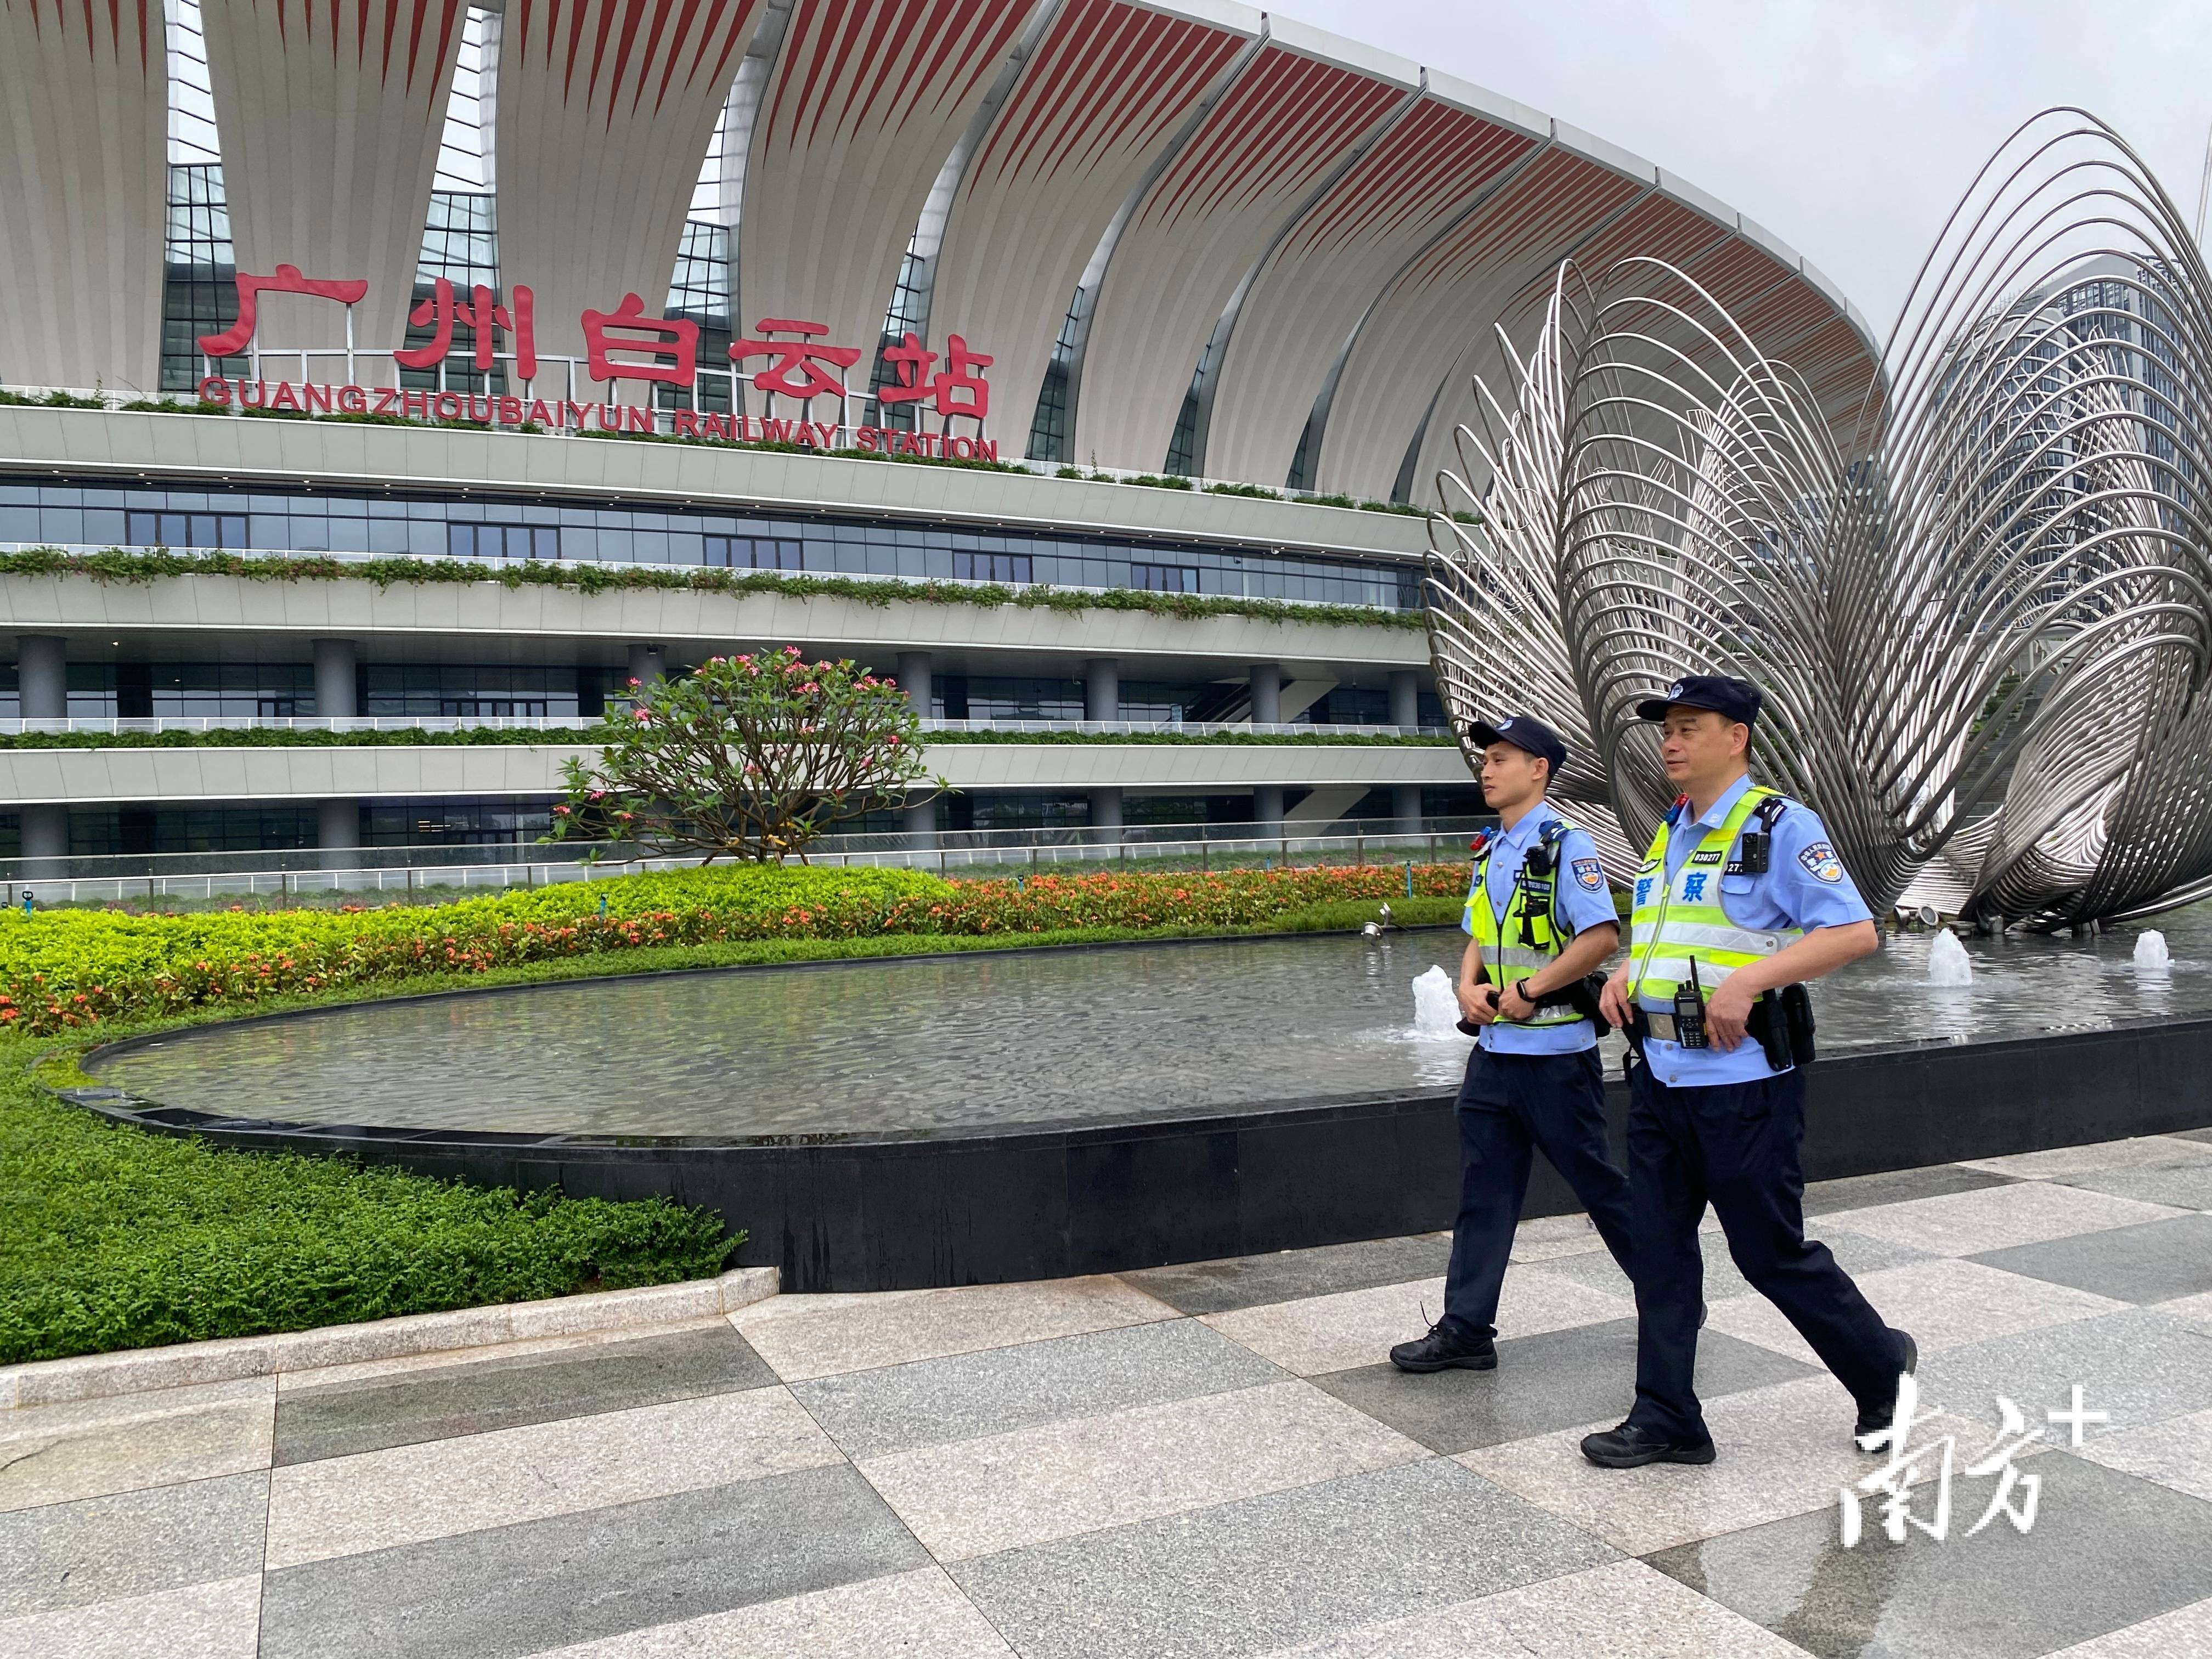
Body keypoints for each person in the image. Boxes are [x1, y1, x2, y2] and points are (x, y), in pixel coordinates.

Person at [1582, 675, 1915, 1468]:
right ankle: (1668, 1418)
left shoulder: (1778, 825)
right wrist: (1629, 970)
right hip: (1661, 1076)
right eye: (1667, 727)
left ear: (1736, 738)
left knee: (1769, 1253)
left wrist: (1750, 981)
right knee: (1660, 1255)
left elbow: (1853, 932)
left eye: (1690, 727)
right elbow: (1678, 933)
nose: (1671, 740)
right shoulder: (1669, 831)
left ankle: (1882, 1373)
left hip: (1744, 1085)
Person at [1389, 713, 1636, 1373]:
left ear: (1539, 770)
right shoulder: (1491, 847)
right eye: (1486, 759)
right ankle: (1467, 1330)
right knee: (1483, 1194)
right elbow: (1479, 931)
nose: (1488, 770)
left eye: (1502, 758)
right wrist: (1469, 985)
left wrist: (1530, 991)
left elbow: (1601, 937)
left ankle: (1670, 1294)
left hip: (1555, 1056)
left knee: (1602, 1189)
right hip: (1495, 1057)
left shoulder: (1567, 845)